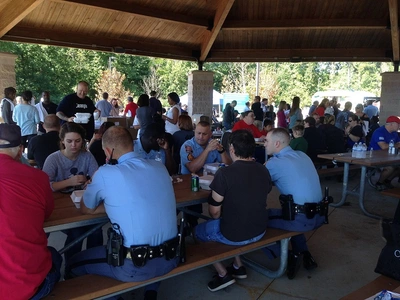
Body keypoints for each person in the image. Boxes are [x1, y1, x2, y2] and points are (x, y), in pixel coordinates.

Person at [66, 126, 179, 300]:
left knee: (74, 263)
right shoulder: (159, 167)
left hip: (133, 265)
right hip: (172, 257)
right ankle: (151, 293)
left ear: (108, 151)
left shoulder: (105, 173)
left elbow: (86, 208)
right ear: (131, 145)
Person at [195, 130, 272, 292]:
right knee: (233, 221)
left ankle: (223, 274)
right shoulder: (264, 170)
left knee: (198, 232)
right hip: (259, 230)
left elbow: (214, 213)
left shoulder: (225, 173)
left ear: (232, 149)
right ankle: (238, 265)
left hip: (233, 235)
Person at [0, 123, 62, 299]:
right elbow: (46, 214)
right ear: (20, 150)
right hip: (27, 286)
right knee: (55, 256)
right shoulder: (38, 178)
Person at [264, 128, 324, 279]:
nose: (264, 144)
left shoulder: (275, 163)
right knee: (285, 214)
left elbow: (253, 185)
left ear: (277, 143)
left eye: (266, 141)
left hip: (301, 218)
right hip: (320, 215)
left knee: (255, 220)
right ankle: (304, 253)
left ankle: (290, 256)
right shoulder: (303, 155)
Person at [42, 122, 102, 265]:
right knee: (77, 232)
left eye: (77, 141)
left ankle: (93, 264)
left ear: (83, 141)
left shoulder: (87, 156)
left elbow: (97, 176)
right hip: (59, 205)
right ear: (62, 141)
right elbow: (45, 185)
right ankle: (72, 267)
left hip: (81, 201)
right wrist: (69, 182)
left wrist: (90, 182)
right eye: (69, 141)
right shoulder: (53, 159)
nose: (74, 145)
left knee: (96, 229)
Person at [369, 116, 400, 191]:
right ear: (392, 124)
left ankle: (387, 181)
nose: (399, 126)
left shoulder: (394, 133)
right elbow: (383, 146)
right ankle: (379, 183)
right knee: (390, 168)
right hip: (374, 157)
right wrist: (396, 145)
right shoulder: (379, 131)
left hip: (389, 156)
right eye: (398, 124)